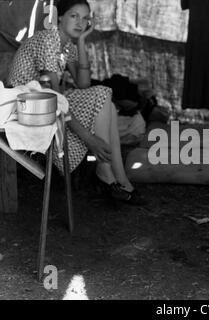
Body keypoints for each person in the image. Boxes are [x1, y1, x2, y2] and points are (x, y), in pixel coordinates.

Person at [7, 0, 144, 205]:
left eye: (85, 18)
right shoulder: (48, 40)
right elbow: (53, 100)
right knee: (103, 95)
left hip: (42, 103)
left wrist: (81, 42)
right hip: (25, 108)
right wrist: (88, 138)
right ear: (60, 17)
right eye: (74, 16)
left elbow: (83, 84)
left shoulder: (66, 45)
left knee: (105, 98)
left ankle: (117, 178)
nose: (81, 22)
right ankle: (109, 174)